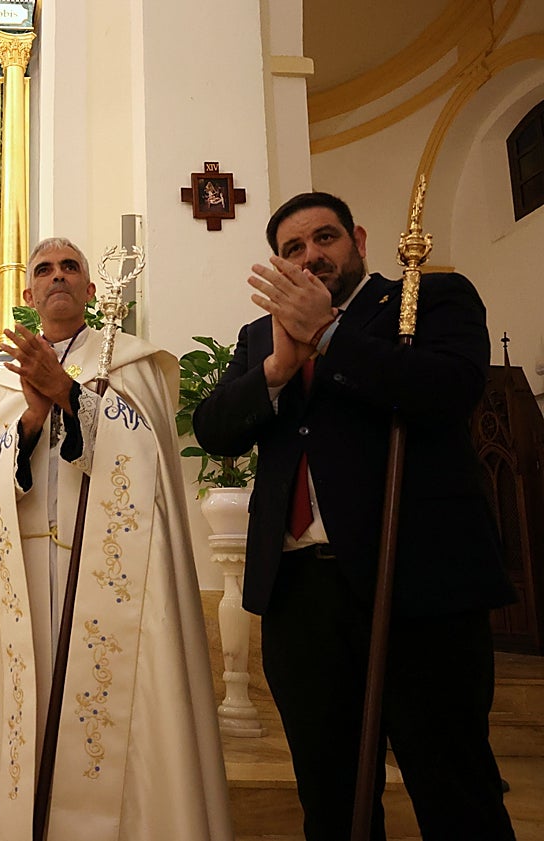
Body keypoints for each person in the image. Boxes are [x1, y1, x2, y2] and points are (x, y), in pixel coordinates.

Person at [192, 192, 517, 841]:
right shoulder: (261, 336)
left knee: (454, 789)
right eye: (292, 248)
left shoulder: (427, 301)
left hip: (416, 587)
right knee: (331, 797)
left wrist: (331, 337)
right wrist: (281, 366)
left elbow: (448, 389)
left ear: (358, 239)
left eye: (324, 238)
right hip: (301, 600)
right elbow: (215, 429)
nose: (310, 255)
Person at [0, 238, 233, 841]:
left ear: (91, 292)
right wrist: (34, 415)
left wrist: (70, 394)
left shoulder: (131, 362)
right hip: (26, 574)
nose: (58, 277)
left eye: (71, 268)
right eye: (44, 269)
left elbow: (146, 460)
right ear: (29, 295)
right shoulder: (6, 382)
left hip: (103, 577)